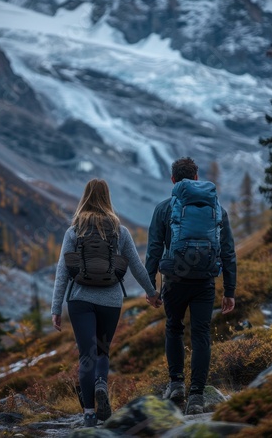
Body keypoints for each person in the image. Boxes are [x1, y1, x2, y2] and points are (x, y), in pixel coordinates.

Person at [51, 179, 161, 427]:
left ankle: (89, 414)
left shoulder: (74, 231)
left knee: (86, 356)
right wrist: (152, 293)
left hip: (80, 300)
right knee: (102, 350)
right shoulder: (119, 231)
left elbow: (62, 273)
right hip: (110, 301)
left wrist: (56, 308)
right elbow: (137, 267)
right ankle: (101, 382)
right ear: (107, 198)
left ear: (85, 198)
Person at [145, 157, 237, 414]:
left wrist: (150, 287)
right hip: (204, 281)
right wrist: (230, 290)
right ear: (197, 178)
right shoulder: (217, 209)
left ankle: (176, 384)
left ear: (173, 180)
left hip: (174, 280)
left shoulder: (164, 209)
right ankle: (196, 396)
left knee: (173, 328)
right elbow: (228, 252)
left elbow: (153, 250)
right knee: (201, 335)